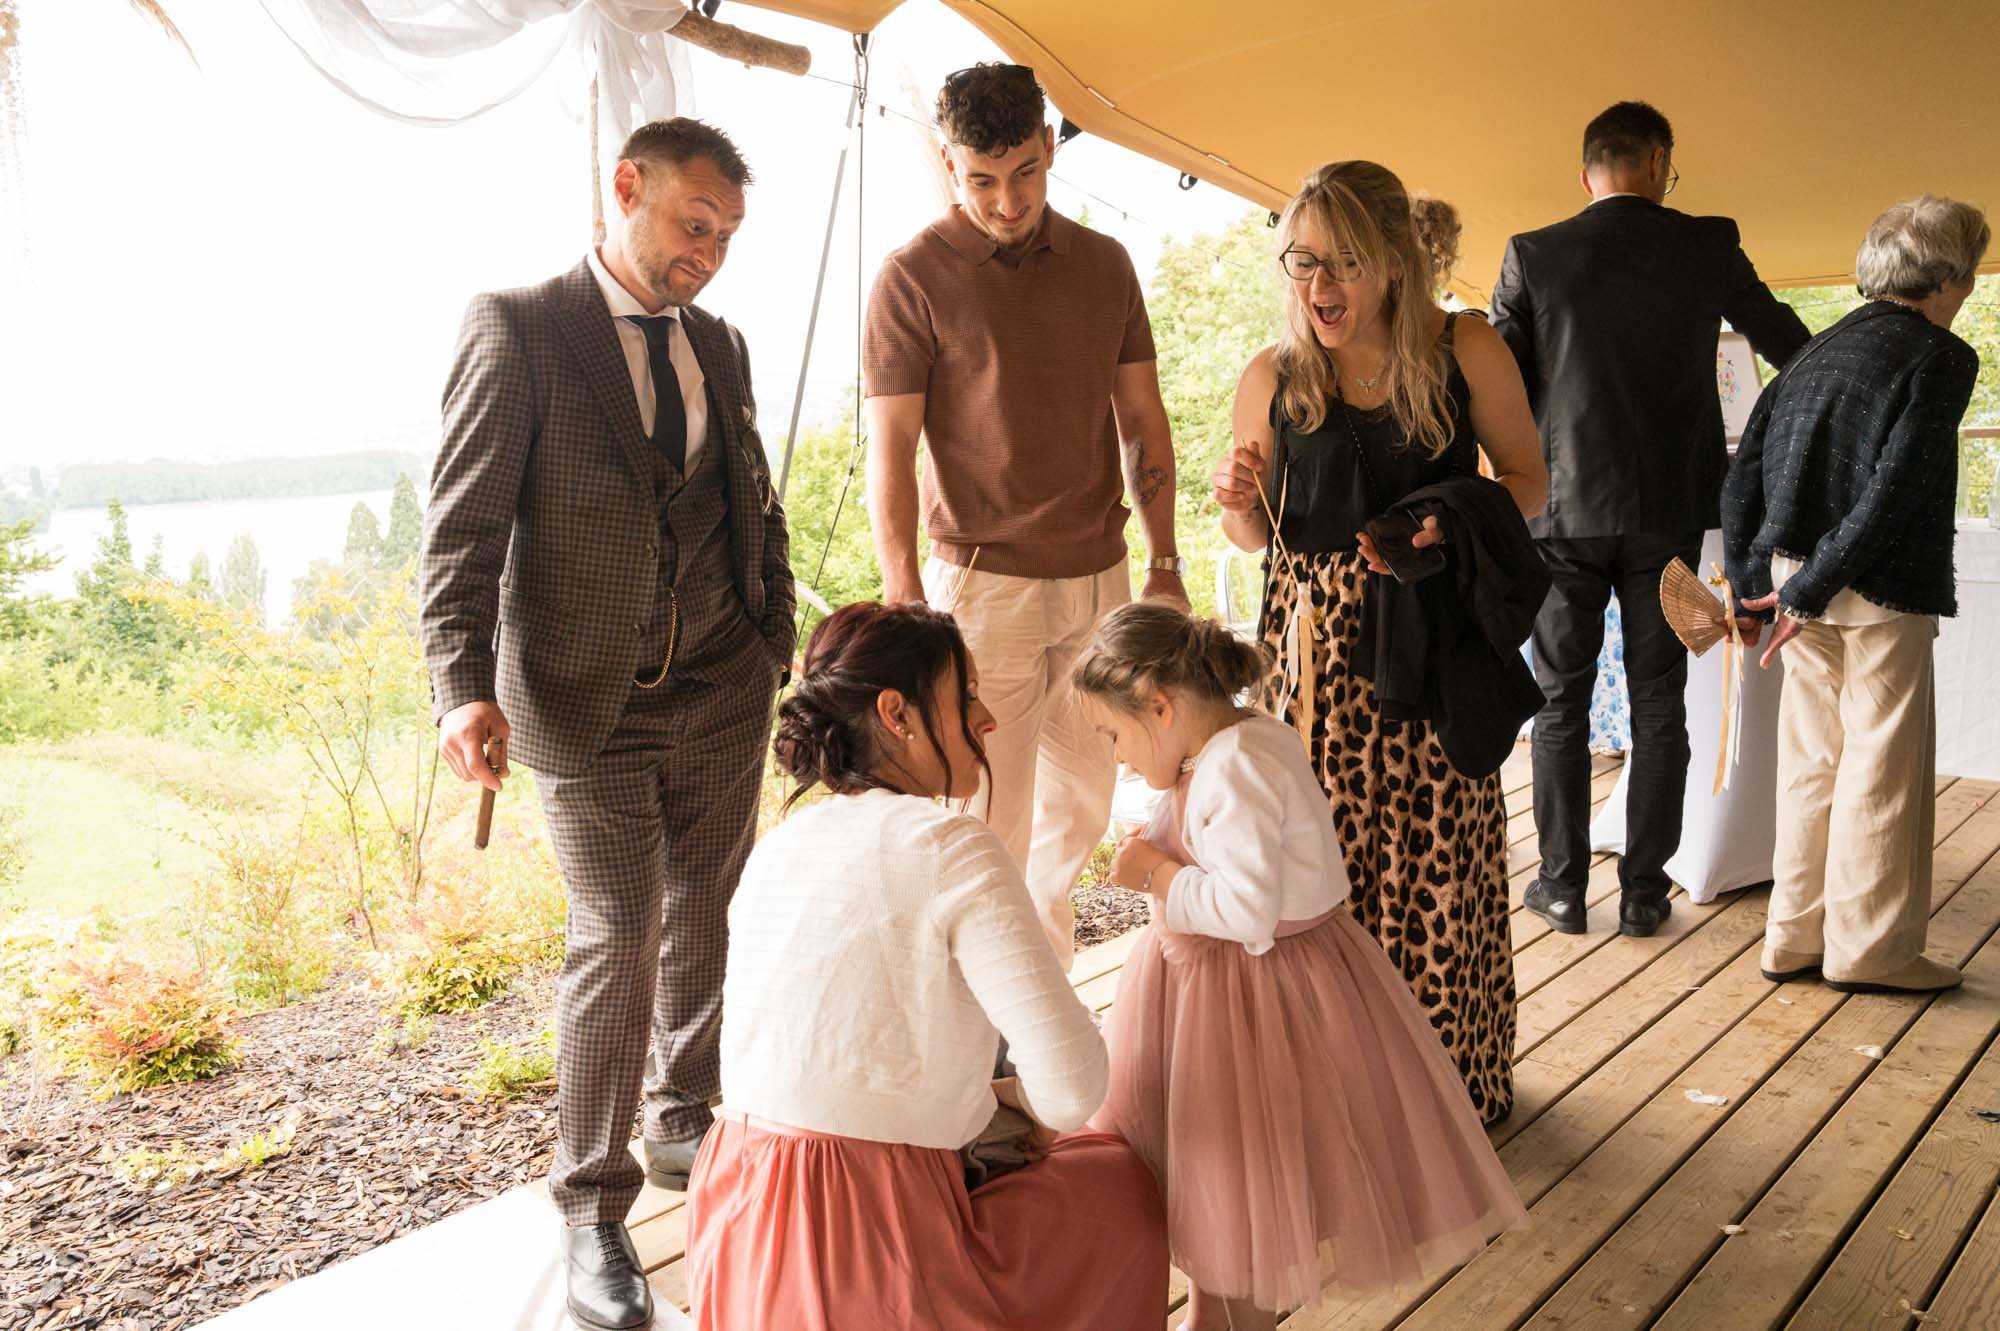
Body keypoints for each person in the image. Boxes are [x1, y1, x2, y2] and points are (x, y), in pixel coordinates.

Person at [419, 119, 794, 1331]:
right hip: (582, 702)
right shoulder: (518, 327)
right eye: (694, 224)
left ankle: (687, 1119)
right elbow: (462, 531)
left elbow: (754, 501)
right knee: (617, 931)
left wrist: (773, 635)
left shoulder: (721, 345)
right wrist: (459, 685)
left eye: (727, 237)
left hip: (724, 690)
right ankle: (591, 1204)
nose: (709, 256)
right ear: (623, 188)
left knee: (709, 910)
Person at [685, 601, 1170, 1331]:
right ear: (897, 713)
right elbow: (1072, 1088)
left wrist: (989, 1103)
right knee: (1117, 1181)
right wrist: (1021, 1106)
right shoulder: (950, 844)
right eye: (966, 695)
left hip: (734, 1222)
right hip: (871, 1244)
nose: (988, 719)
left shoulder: (779, 844)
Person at [1075, 602, 1528, 1330]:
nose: (1119, 759)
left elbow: (1247, 908)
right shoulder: (1243, 741)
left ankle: (1230, 1317)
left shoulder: (1238, 767)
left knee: (1242, 1177)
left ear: (1160, 707)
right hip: (1232, 987)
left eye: (1116, 736)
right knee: (1224, 1188)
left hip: (1251, 1000)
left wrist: (1156, 874)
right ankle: (1214, 1312)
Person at [1211, 160, 1548, 1123]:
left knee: (1439, 861)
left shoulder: (1465, 345)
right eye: (1303, 262)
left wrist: (1456, 518)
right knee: (1321, 867)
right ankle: (1330, 1098)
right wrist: (1238, 506)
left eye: (1346, 263)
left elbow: (1529, 480)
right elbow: (1253, 532)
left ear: (1395, 263)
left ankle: (1444, 1092)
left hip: (1433, 640)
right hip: (1310, 662)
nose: (1320, 288)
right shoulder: (1273, 375)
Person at [863, 62, 1188, 967]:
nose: (1007, 202)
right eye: (981, 180)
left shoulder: (1105, 265)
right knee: (985, 816)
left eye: (1025, 174)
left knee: (1081, 808)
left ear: (1049, 149)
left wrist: (1163, 561)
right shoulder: (911, 279)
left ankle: (1030, 1006)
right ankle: (981, 1036)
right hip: (980, 587)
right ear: (947, 163)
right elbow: (890, 449)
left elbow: (1143, 420)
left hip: (1101, 582)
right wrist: (902, 595)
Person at [1491, 100, 1812, 941]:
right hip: (1671, 515)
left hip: (1558, 518)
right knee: (1660, 702)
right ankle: (1643, 892)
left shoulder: (1534, 254)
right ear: (1662, 162)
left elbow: (1495, 383)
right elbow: (1790, 344)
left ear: (1585, 169)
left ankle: (1560, 887)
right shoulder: (1706, 245)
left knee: (1559, 703)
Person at [1723, 195, 1989, 996]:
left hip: (1795, 581)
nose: (1971, 288)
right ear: (1945, 276)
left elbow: (1742, 476)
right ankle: (1873, 952)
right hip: (1872, 588)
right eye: (1970, 270)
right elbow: (1895, 490)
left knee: (1812, 760)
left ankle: (1793, 938)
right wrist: (1809, 588)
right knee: (1882, 766)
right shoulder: (1940, 357)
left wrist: (1755, 587)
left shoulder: (1818, 349)